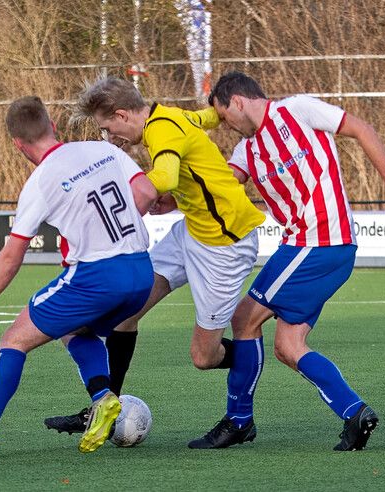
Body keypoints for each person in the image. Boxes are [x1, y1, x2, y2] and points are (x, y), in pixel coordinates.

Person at [187, 71, 385, 450]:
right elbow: (220, 189)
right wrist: (175, 190)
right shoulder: (245, 152)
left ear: (238, 102)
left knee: (244, 318)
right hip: (306, 246)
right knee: (288, 346)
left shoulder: (298, 109)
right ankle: (354, 412)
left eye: (224, 117)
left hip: (321, 241)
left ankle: (239, 420)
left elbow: (362, 128)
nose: (227, 126)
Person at [44, 77, 266, 436]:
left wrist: (123, 207)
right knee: (125, 313)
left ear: (121, 114)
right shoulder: (172, 116)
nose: (109, 136)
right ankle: (105, 407)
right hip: (191, 231)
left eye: (108, 127)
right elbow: (210, 118)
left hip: (225, 245)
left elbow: (162, 175)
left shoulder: (162, 130)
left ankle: (257, 357)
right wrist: (180, 196)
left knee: (204, 357)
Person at [0, 96, 158, 459]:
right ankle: (104, 396)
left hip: (97, 277)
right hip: (141, 271)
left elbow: (12, 256)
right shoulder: (102, 149)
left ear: (17, 144)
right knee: (76, 329)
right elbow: (147, 192)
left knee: (12, 341)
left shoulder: (40, 182)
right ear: (53, 127)